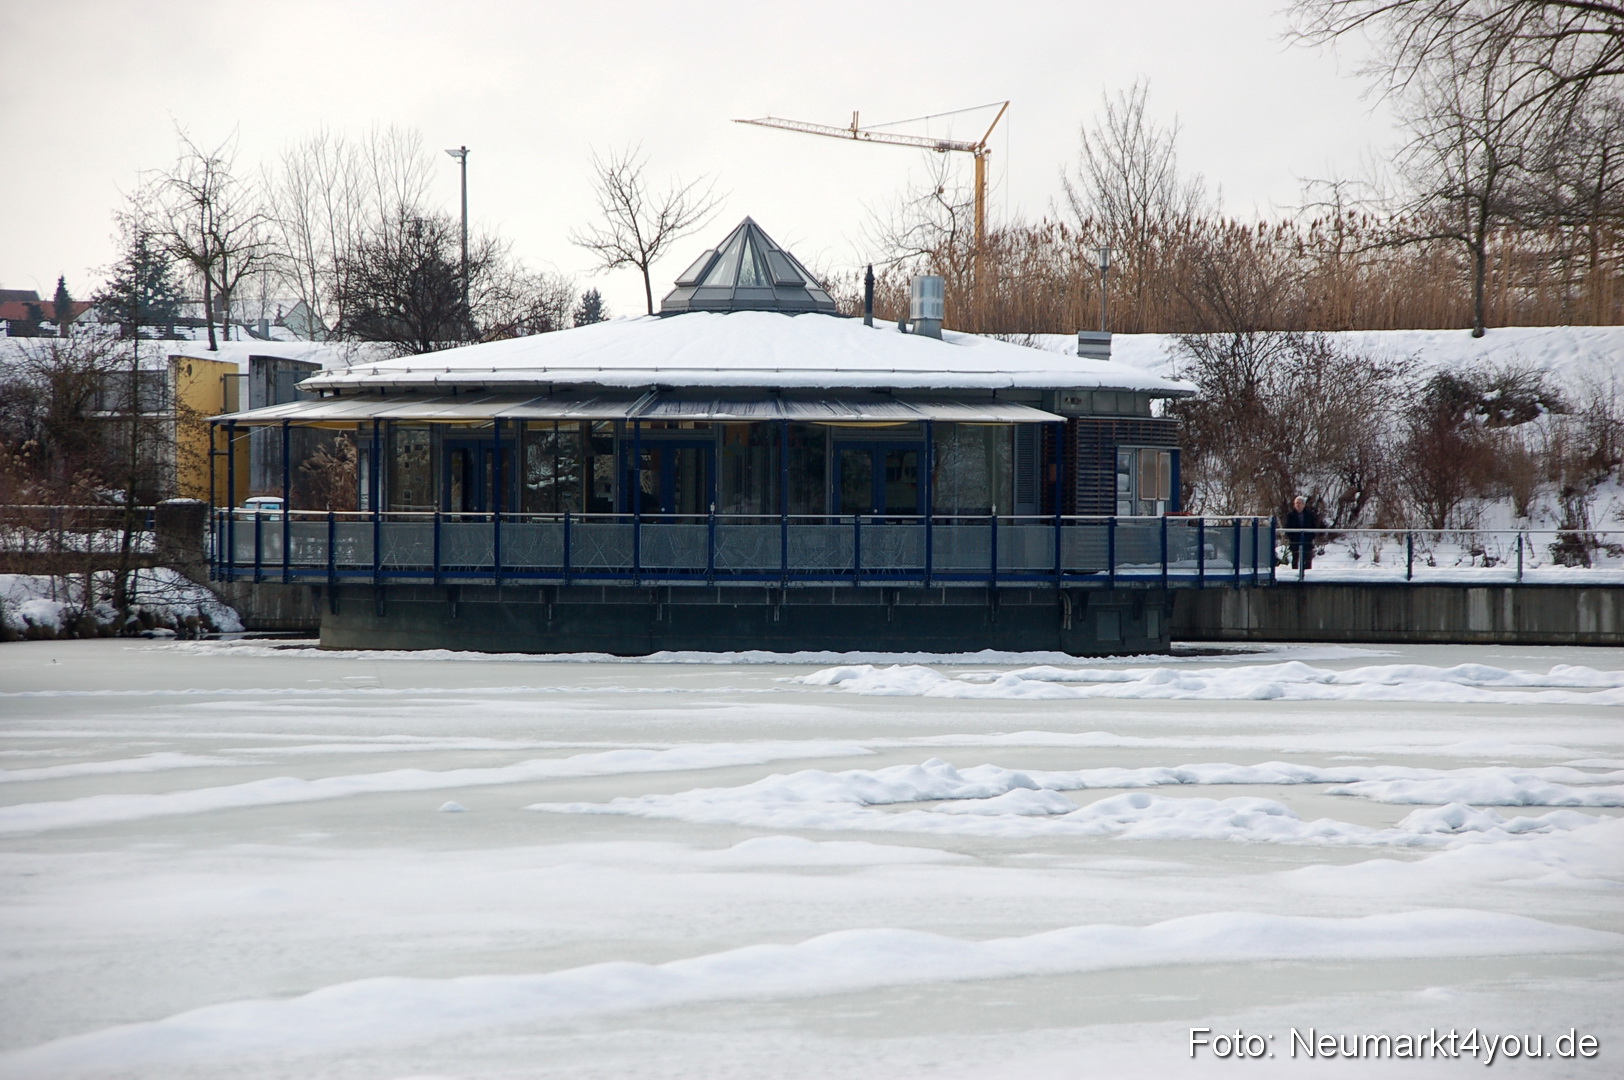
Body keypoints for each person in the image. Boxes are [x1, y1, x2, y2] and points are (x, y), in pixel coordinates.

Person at [1284, 495, 1321, 573]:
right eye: (1296, 503)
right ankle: (1294, 572)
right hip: (1295, 539)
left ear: (1304, 505)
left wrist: (1311, 536)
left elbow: (1314, 526)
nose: (1298, 505)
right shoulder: (1290, 515)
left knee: (1307, 557)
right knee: (1295, 557)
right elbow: (1287, 527)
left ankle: (1307, 572)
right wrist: (1291, 537)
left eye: (1300, 503)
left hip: (1306, 538)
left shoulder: (1309, 514)